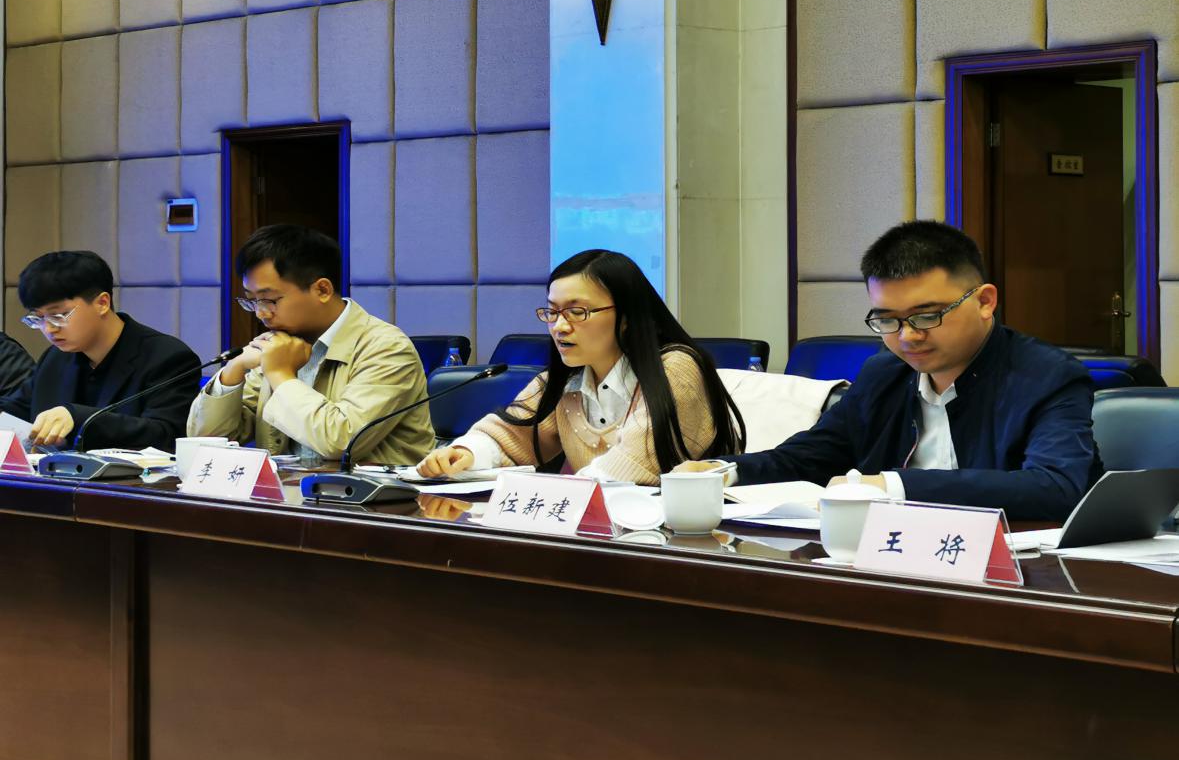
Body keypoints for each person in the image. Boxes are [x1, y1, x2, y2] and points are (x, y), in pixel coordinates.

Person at [676, 220, 1100, 521]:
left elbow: (1056, 486)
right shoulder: (885, 372)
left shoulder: (1047, 375)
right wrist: (726, 470)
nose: (908, 336)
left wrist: (891, 487)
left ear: (985, 301)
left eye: (927, 315)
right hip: (889, 555)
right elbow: (814, 454)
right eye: (887, 320)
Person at [417, 249, 745, 485]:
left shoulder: (676, 368)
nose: (559, 327)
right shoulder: (565, 381)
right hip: (598, 535)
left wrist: (558, 495)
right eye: (552, 312)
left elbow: (633, 466)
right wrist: (465, 453)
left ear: (627, 317)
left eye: (577, 312)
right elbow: (510, 435)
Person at [188, 224, 433, 466]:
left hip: (364, 492)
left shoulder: (386, 348)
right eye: (252, 300)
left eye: (269, 300)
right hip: (286, 490)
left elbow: (342, 441)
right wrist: (234, 369)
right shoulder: (280, 344)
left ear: (322, 290)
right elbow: (206, 442)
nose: (261, 313)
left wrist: (280, 375)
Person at [0, 251, 200, 450]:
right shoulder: (55, 358)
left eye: (58, 316)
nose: (49, 329)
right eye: (38, 318)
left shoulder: (168, 357)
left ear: (102, 303)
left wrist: (78, 418)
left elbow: (166, 435)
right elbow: (13, 410)